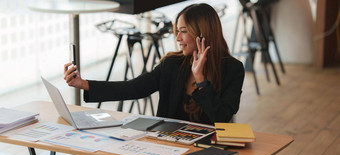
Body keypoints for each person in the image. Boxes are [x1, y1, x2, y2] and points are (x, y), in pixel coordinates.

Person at [64, 3, 245, 125]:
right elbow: (134, 88)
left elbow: (222, 118)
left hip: (208, 149)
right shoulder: (172, 64)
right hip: (168, 145)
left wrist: (201, 81)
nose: (178, 38)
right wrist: (83, 84)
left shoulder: (232, 69)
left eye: (183, 31)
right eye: (177, 31)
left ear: (202, 34)